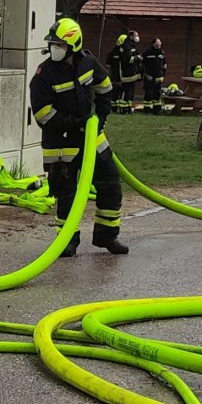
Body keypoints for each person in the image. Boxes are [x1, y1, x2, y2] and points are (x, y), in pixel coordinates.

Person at [28, 16, 128, 253]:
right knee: (67, 194)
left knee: (110, 184)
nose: (54, 49)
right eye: (53, 44)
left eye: (60, 45)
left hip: (92, 137)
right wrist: (76, 124)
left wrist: (100, 118)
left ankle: (106, 236)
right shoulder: (44, 75)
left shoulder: (88, 63)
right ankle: (67, 241)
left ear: (73, 45)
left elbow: (105, 87)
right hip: (61, 142)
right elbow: (43, 114)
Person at [109, 29, 143, 111]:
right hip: (127, 73)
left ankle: (128, 108)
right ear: (131, 36)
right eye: (135, 35)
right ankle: (123, 108)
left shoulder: (132, 45)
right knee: (125, 91)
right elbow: (126, 59)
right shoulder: (126, 46)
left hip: (133, 73)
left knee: (130, 92)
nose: (137, 37)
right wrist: (137, 58)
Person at [140, 34, 169, 112]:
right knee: (148, 93)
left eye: (160, 43)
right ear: (153, 44)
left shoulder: (162, 52)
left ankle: (157, 109)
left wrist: (163, 75)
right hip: (149, 76)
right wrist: (146, 74)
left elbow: (164, 64)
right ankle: (147, 109)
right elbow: (141, 64)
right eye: (157, 43)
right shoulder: (147, 52)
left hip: (159, 77)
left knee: (157, 93)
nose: (159, 44)